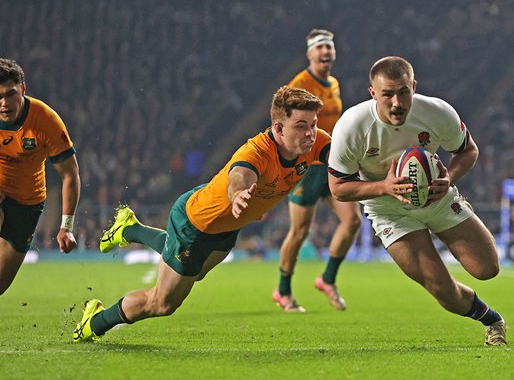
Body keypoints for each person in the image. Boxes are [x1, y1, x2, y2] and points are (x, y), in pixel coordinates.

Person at [73, 86, 330, 342]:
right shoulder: (257, 152)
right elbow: (239, 175)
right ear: (278, 129)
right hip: (196, 224)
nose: (310, 133)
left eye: (313, 124)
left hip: (227, 228)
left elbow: (342, 154)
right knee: (162, 304)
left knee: (194, 272)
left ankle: (129, 229)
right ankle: (94, 321)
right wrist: (238, 195)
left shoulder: (314, 140)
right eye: (300, 126)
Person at [327, 56, 507, 346]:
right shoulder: (352, 126)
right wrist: (384, 186)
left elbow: (468, 151)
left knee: (487, 269)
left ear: (413, 86)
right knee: (444, 292)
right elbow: (338, 188)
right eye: (387, 94)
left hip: (437, 197)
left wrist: (449, 178)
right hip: (389, 210)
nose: (396, 102)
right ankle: (492, 319)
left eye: (403, 92)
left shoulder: (436, 112)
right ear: (373, 93)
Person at [273, 29, 361, 313]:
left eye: (329, 47)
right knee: (299, 231)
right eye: (320, 47)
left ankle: (328, 279)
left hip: (334, 163)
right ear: (310, 53)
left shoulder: (333, 83)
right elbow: (280, 120)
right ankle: (283, 290)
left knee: (353, 221)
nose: (325, 52)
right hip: (307, 167)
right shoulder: (300, 84)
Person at [0, 58, 80, 295]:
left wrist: (66, 227)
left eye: (10, 94)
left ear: (23, 89)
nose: (3, 104)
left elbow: (70, 174)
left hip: (28, 203)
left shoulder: (45, 120)